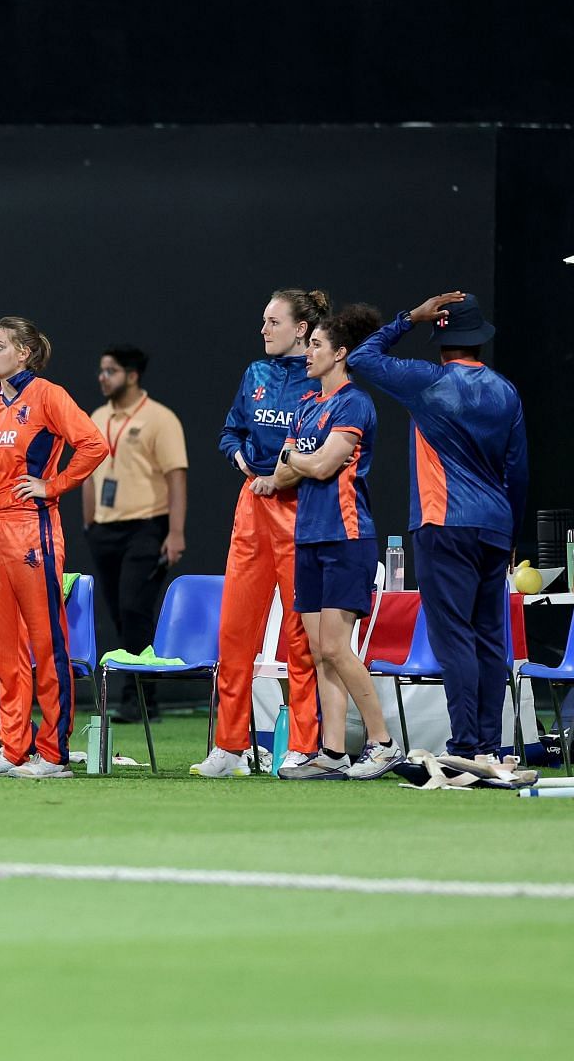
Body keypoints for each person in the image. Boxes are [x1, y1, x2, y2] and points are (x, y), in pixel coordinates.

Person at [349, 291, 530, 774]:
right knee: (490, 638)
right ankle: (489, 745)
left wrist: (408, 317)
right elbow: (518, 471)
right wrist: (510, 531)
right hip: (495, 526)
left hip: (443, 522)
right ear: (479, 342)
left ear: (442, 340)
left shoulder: (426, 382)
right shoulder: (506, 392)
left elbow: (363, 356)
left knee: (454, 639)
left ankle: (467, 746)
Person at [193, 289, 328, 779]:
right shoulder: (255, 374)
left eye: (273, 322)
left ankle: (303, 746)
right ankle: (228, 748)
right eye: (264, 321)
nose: (263, 330)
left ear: (300, 329)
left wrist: (288, 470)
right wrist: (240, 458)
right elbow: (230, 432)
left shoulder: (322, 381)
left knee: (300, 636)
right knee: (235, 632)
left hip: (301, 511)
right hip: (252, 509)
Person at [0, 317, 108, 778]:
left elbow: (92, 444)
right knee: (4, 646)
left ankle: (53, 752)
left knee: (46, 643)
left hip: (33, 529)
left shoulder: (47, 395)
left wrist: (54, 485)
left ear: (24, 352)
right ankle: (13, 748)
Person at [268, 305, 401, 780]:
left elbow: (320, 466)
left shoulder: (353, 403)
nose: (308, 353)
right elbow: (286, 472)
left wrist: (297, 457)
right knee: (319, 650)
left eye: (318, 345)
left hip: (347, 537)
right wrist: (302, 459)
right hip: (308, 538)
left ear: (341, 354)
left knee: (338, 648)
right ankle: (333, 752)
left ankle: (383, 743)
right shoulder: (306, 406)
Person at [82, 344, 188, 723]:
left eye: (110, 370)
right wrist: (89, 522)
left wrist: (175, 533)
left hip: (146, 526)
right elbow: (88, 472)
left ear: (131, 375)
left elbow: (176, 476)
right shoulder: (97, 417)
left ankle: (142, 699)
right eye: (101, 370)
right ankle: (136, 694)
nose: (102, 377)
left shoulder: (160, 419)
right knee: (120, 615)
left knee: (135, 609)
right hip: (105, 530)